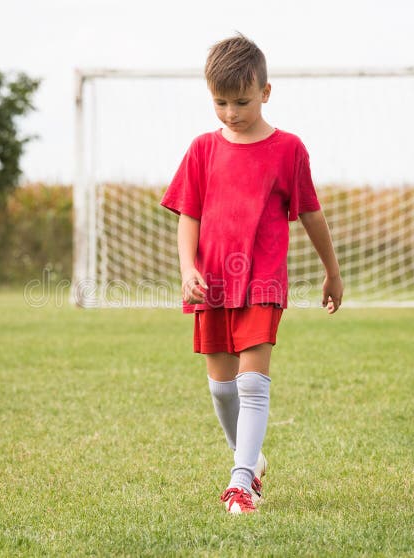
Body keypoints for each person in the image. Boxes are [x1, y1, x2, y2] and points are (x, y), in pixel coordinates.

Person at [160, 34, 343, 514]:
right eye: (219, 102)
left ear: (265, 91)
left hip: (262, 282)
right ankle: (252, 459)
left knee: (251, 383)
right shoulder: (202, 149)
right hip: (212, 282)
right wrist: (187, 268)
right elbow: (188, 215)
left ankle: (241, 481)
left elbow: (311, 214)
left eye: (240, 101)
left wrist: (332, 272)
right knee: (221, 389)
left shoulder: (289, 150)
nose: (230, 112)